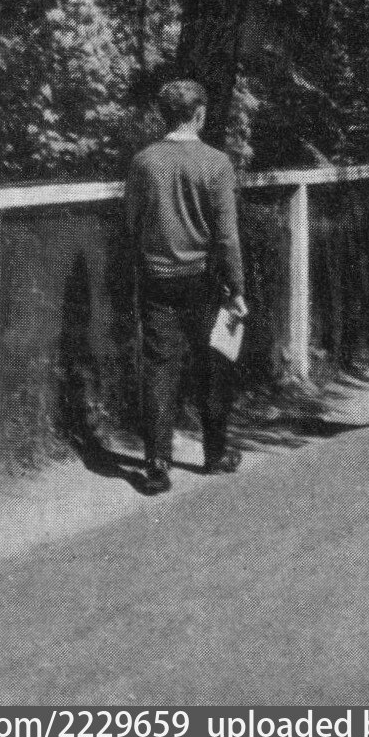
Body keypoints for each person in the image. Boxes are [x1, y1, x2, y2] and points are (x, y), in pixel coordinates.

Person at [125, 79, 246, 494]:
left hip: (156, 277)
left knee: (160, 366)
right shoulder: (217, 163)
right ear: (200, 114)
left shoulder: (143, 162)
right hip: (202, 279)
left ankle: (157, 464)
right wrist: (237, 287)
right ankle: (215, 454)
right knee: (212, 362)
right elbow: (227, 236)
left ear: (164, 116)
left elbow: (133, 222)